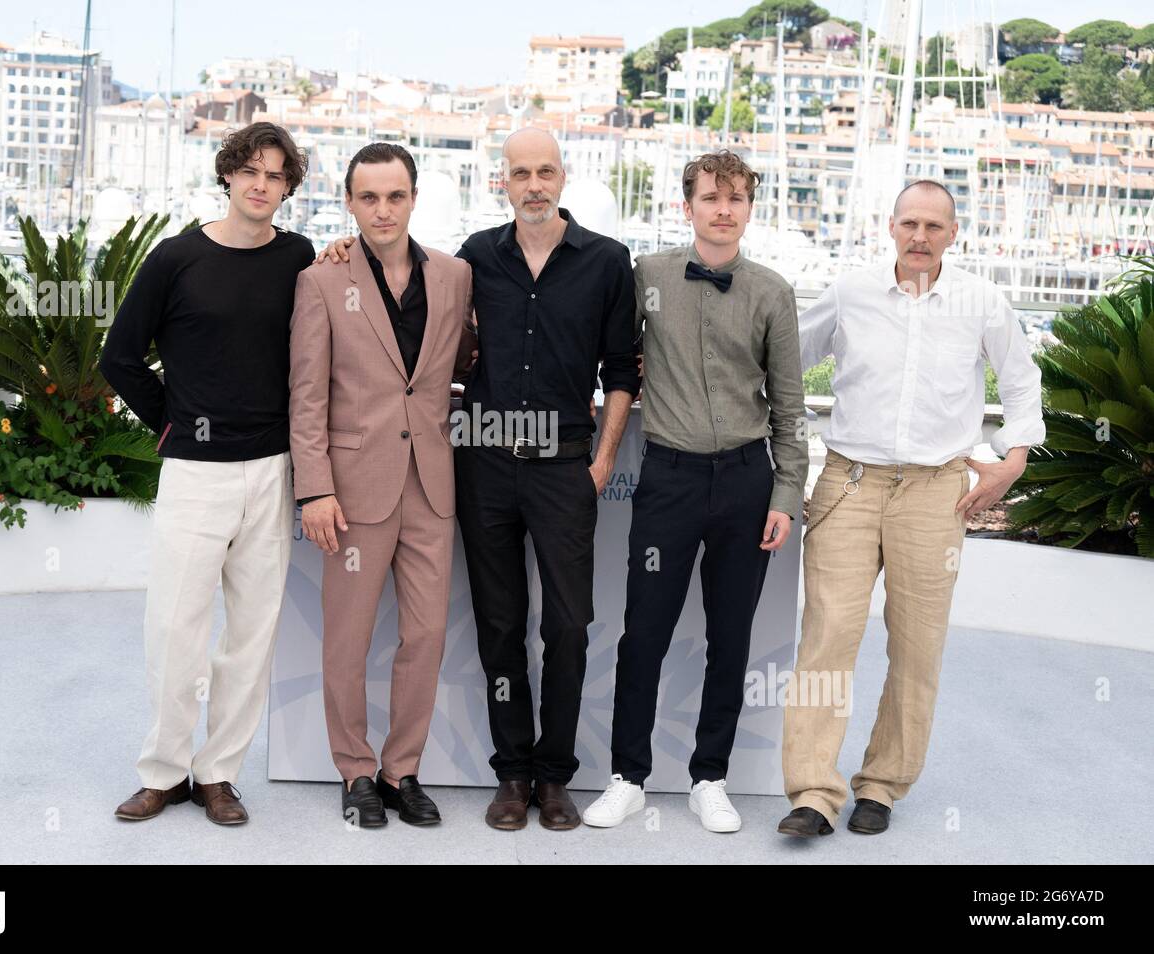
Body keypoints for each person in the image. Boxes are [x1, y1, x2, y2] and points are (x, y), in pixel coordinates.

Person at [314, 127, 639, 829]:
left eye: (545, 171)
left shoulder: (609, 262)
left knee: (569, 628)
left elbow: (621, 370)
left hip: (564, 469)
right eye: (520, 172)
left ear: (564, 176)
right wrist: (344, 249)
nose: (534, 184)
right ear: (504, 181)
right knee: (498, 628)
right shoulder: (473, 261)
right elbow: (408, 311)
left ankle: (556, 777)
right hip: (484, 468)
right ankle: (513, 775)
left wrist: (604, 460)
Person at [777, 180, 1046, 838]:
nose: (920, 237)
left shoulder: (981, 301)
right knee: (826, 641)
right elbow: (786, 361)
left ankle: (883, 784)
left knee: (918, 646)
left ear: (954, 233)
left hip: (937, 490)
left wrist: (1012, 459)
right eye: (909, 224)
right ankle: (813, 791)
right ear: (890, 227)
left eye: (934, 226)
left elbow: (1021, 380)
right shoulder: (850, 292)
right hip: (848, 481)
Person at [581, 151, 807, 834]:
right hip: (669, 479)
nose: (723, 209)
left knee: (731, 637)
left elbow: (792, 408)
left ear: (748, 209)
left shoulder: (773, 291)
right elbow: (606, 349)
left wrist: (787, 494)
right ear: (689, 205)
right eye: (711, 197)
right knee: (641, 632)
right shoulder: (646, 275)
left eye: (736, 198)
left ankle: (711, 776)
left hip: (746, 481)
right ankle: (628, 777)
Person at [103, 122, 314, 826]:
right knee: (175, 631)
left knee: (250, 636)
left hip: (273, 468)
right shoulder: (176, 259)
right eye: (250, 170)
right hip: (195, 472)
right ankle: (162, 772)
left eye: (276, 174)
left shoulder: (300, 258)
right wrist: (170, 422)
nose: (261, 184)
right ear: (228, 175)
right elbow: (120, 356)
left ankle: (218, 773)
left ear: (289, 187)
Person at [290, 143, 474, 828]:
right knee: (348, 637)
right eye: (368, 197)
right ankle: (355, 771)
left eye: (395, 196)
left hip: (431, 486)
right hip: (352, 490)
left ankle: (402, 770)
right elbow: (306, 394)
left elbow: (465, 360)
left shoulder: (456, 277)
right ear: (349, 203)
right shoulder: (321, 280)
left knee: (426, 636)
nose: (382, 209)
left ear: (414, 199)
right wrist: (314, 489)